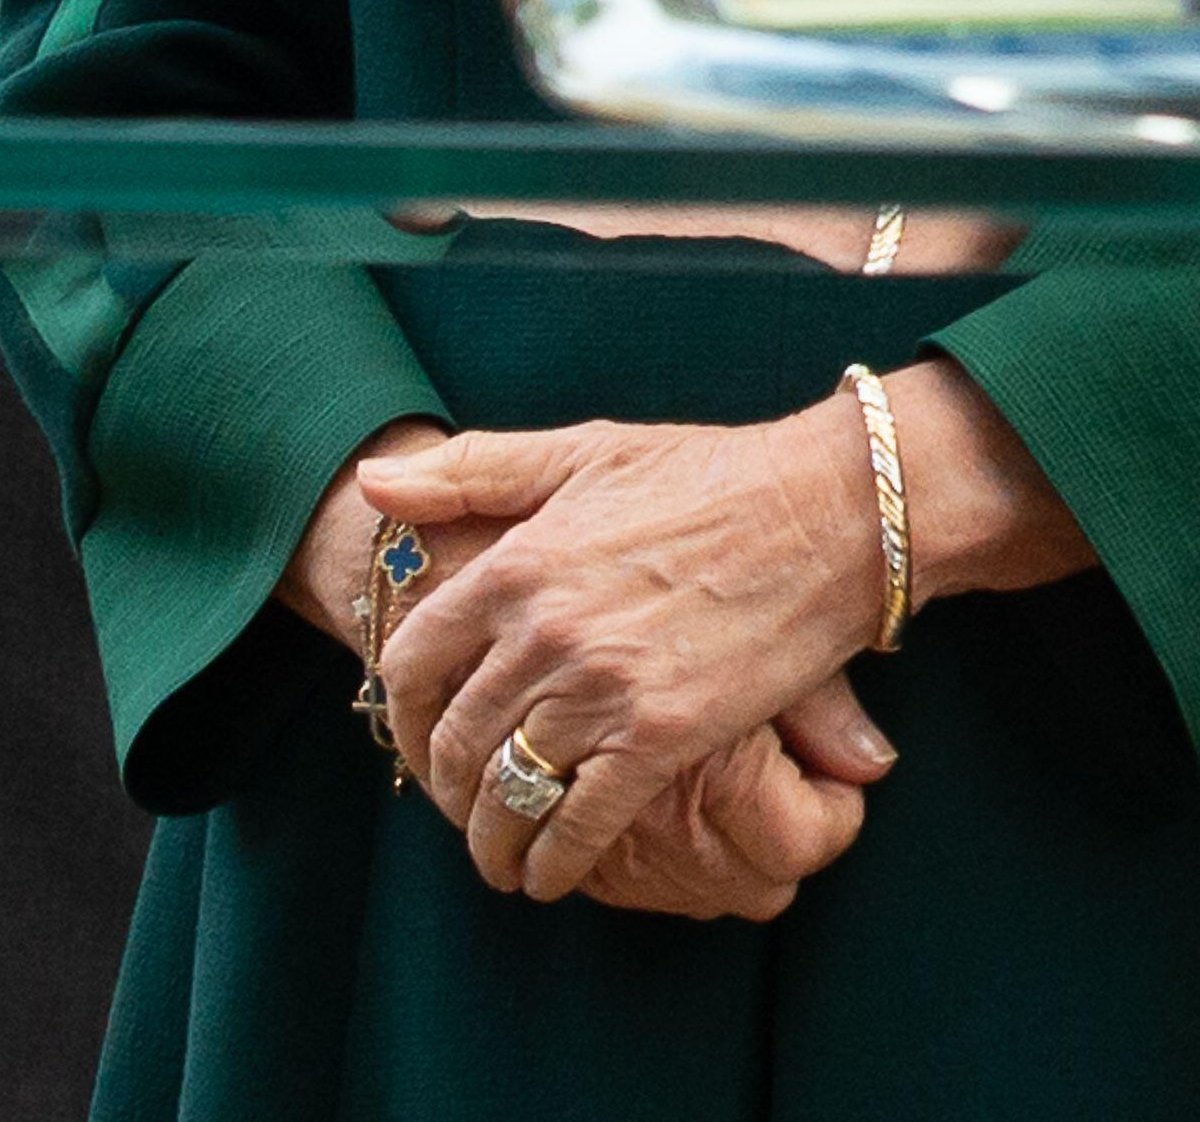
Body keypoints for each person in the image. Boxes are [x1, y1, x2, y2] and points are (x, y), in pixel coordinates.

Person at [1, 1, 1198, 1120]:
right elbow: (100, 81)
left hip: (1104, 721)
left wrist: (887, 493)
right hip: (427, 804)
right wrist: (439, 584)